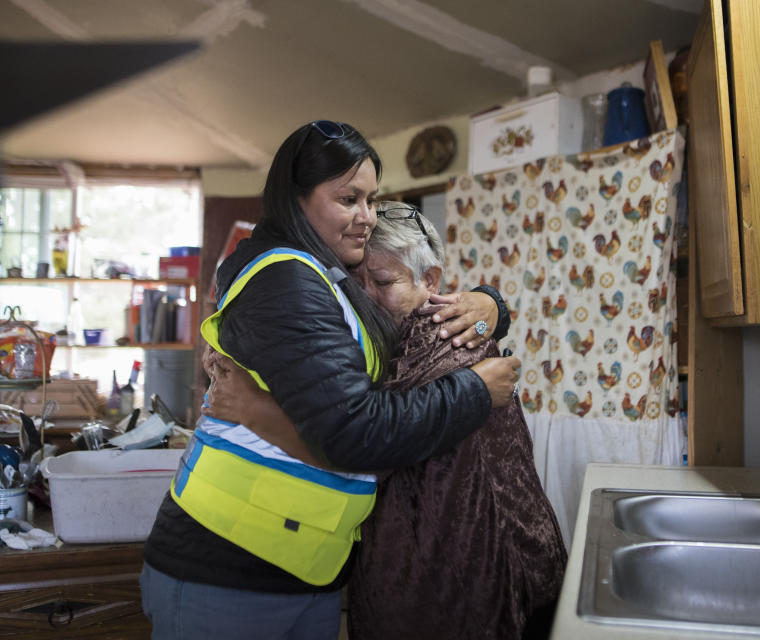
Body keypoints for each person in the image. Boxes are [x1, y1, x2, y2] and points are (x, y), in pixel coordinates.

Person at [140, 121, 521, 640]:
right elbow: (354, 431)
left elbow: (405, 325)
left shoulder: (327, 277)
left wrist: (490, 305)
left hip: (302, 566)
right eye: (348, 199)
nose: (365, 217)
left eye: (371, 199)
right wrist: (478, 390)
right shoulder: (289, 281)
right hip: (231, 564)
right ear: (296, 200)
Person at [204, 202, 567, 640]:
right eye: (352, 284)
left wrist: (253, 409)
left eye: (382, 281)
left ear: (429, 281)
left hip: (470, 578)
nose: (364, 297)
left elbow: (362, 445)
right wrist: (493, 303)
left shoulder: (441, 342)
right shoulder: (379, 346)